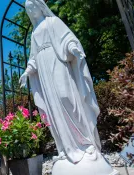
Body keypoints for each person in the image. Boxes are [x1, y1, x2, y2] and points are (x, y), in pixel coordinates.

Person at [19, 0, 102, 164]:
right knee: (54, 108)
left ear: (39, 6)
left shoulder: (53, 22)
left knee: (67, 98)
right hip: (44, 72)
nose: (31, 12)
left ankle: (86, 142)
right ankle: (65, 146)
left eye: (32, 7)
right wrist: (27, 73)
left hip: (58, 63)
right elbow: (33, 58)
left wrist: (74, 49)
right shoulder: (34, 33)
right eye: (28, 10)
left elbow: (67, 39)